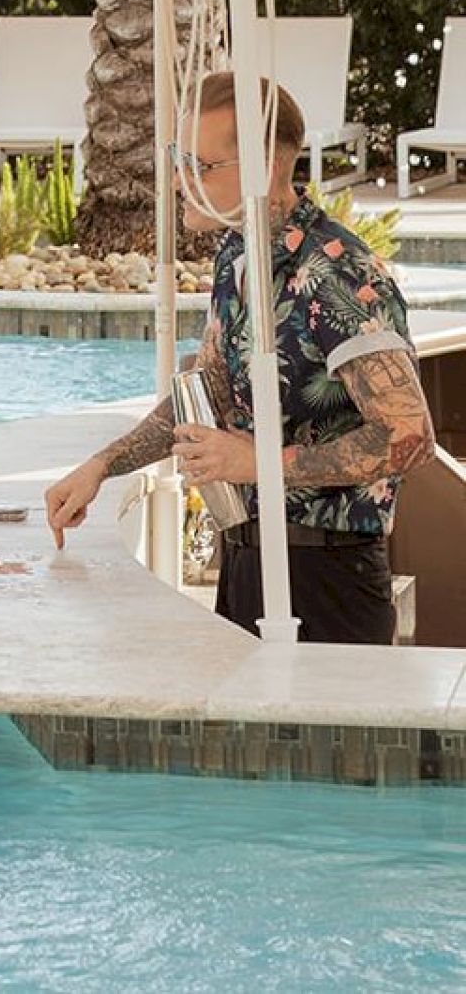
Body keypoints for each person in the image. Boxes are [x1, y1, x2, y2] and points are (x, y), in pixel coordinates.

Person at [44, 72, 435, 645]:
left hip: (329, 583)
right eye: (181, 161)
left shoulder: (336, 276)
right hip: (250, 561)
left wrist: (257, 462)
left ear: (267, 168)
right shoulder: (238, 253)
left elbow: (410, 435)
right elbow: (210, 388)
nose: (181, 182)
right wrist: (102, 467)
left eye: (203, 167)